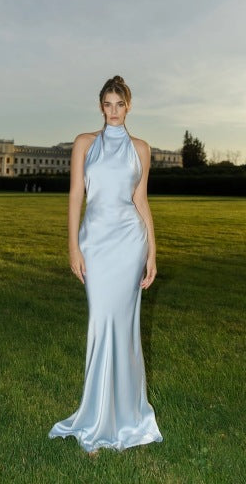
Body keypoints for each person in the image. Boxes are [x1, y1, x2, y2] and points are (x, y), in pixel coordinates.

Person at [48, 75, 163, 456]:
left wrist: (152, 252)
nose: (113, 110)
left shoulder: (141, 149)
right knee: (100, 323)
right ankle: (95, 419)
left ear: (129, 106)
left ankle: (129, 416)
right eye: (108, 104)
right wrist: (72, 247)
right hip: (95, 243)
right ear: (101, 107)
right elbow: (75, 196)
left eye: (120, 104)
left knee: (125, 329)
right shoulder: (85, 143)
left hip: (131, 242)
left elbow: (141, 200)